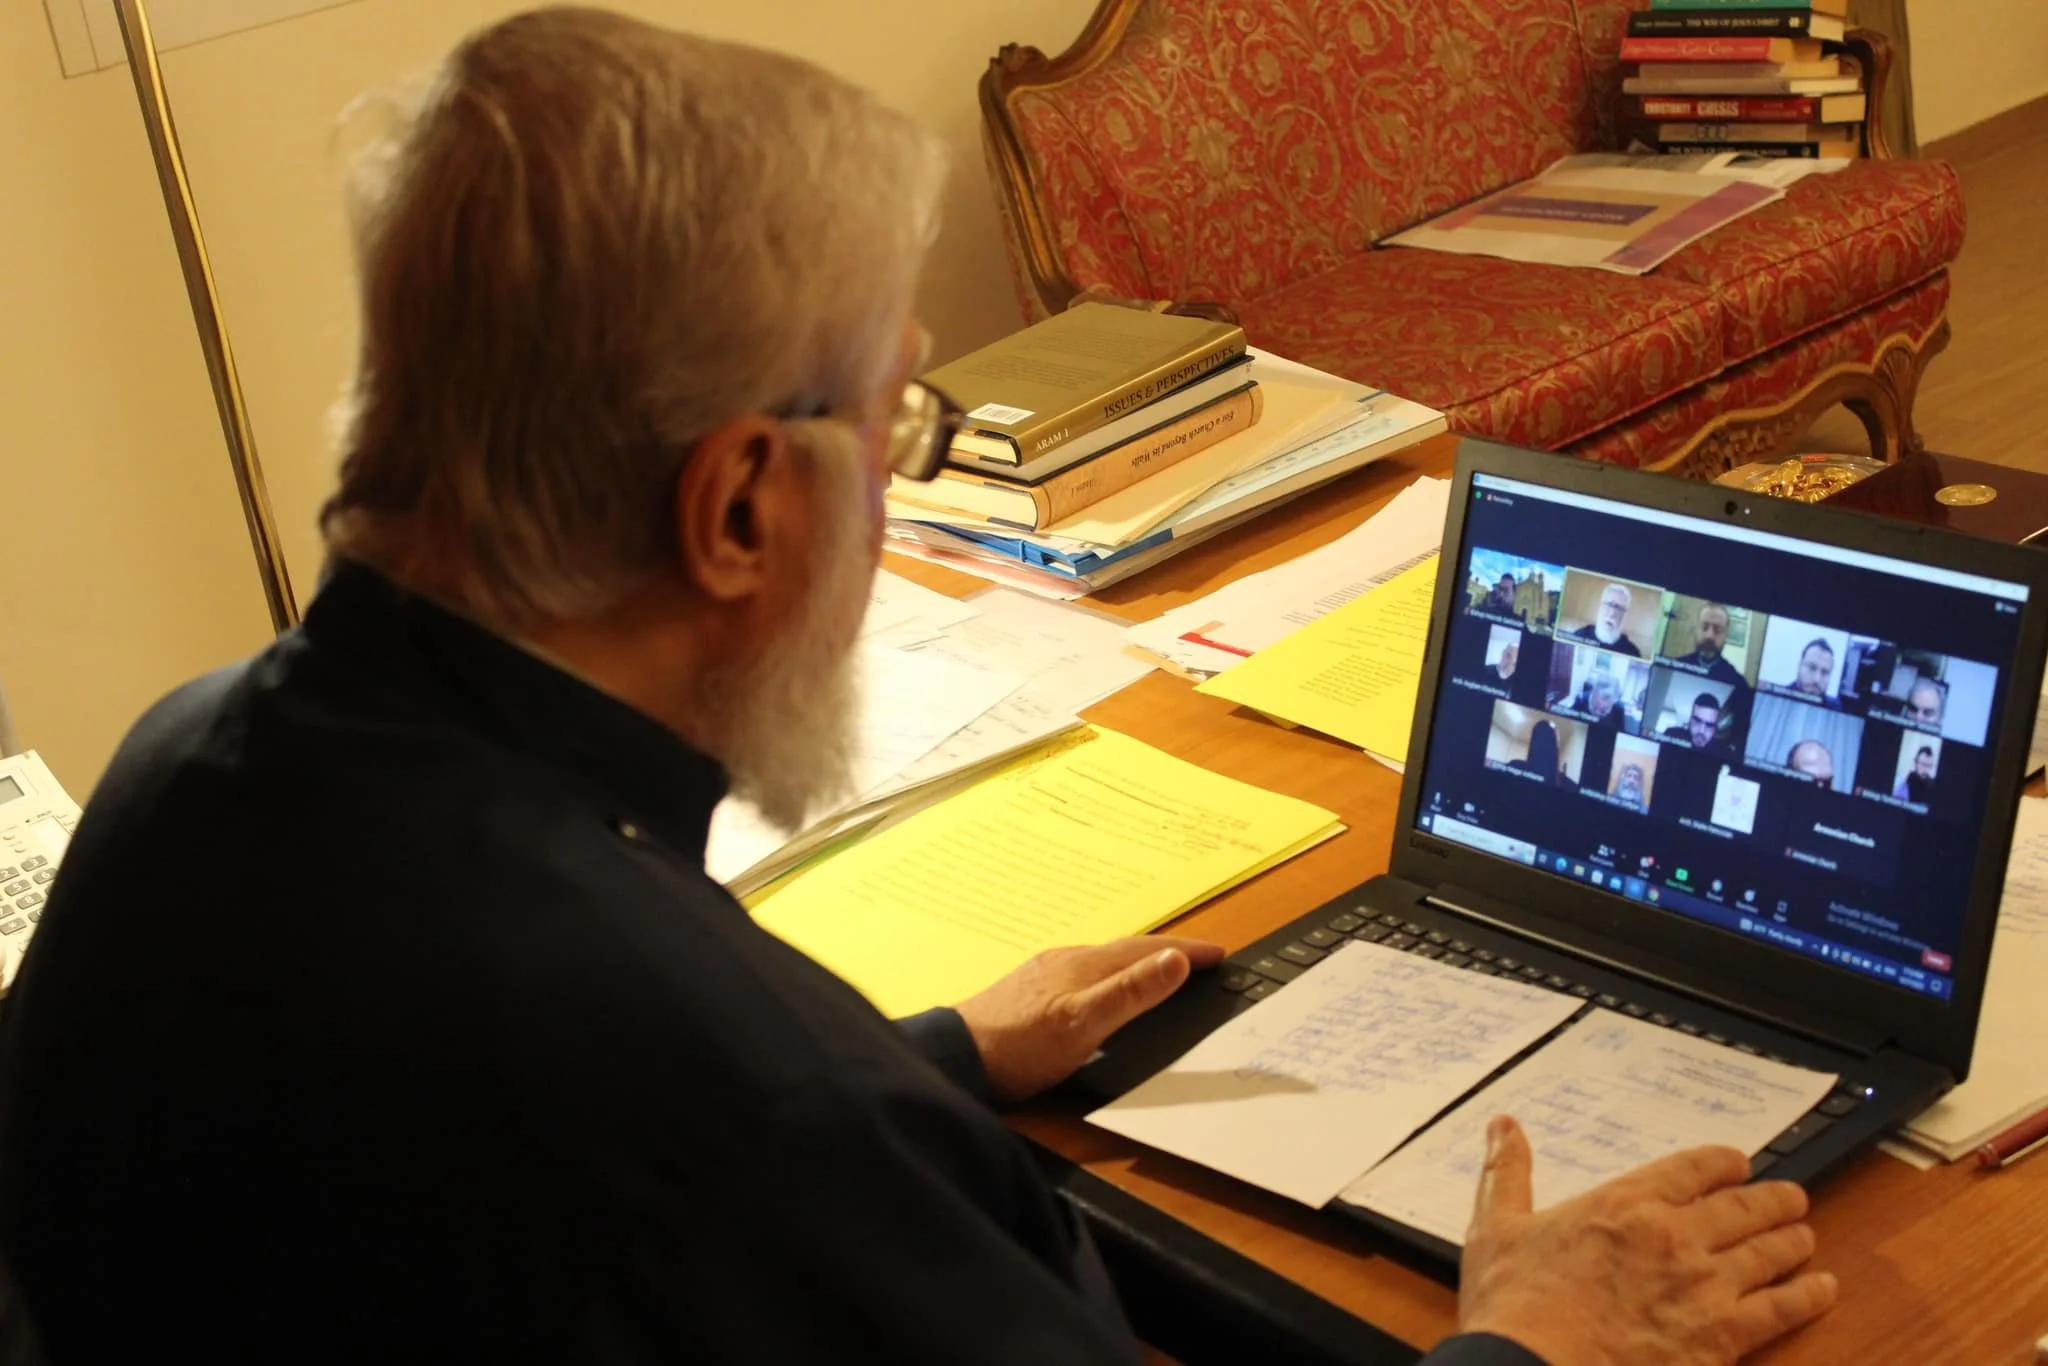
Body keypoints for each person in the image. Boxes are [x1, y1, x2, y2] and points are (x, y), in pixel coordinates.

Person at [0, 12, 1836, 1366]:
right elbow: (670, 1139)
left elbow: (471, 1166)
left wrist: (932, 1058)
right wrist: (1541, 1340)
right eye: (898, 423)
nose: (896, 486)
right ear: (733, 503)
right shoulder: (740, 1106)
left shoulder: (186, 768)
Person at [1669, 603, 1746, 689]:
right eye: (1704, 627)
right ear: (1696, 630)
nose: (1709, 636)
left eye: (1717, 630)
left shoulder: (1738, 683)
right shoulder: (1672, 668)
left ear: (1726, 636)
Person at [1565, 582, 1642, 656]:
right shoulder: (1580, 635)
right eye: (1609, 604)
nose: (1612, 613)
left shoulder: (1632, 652)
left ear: (1625, 615)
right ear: (1600, 607)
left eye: (1619, 608)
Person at [1789, 639, 1838, 705]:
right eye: (1812, 668)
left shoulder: (1835, 707)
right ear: (1799, 666)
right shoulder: (1777, 695)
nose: (1817, 679)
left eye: (1825, 672)